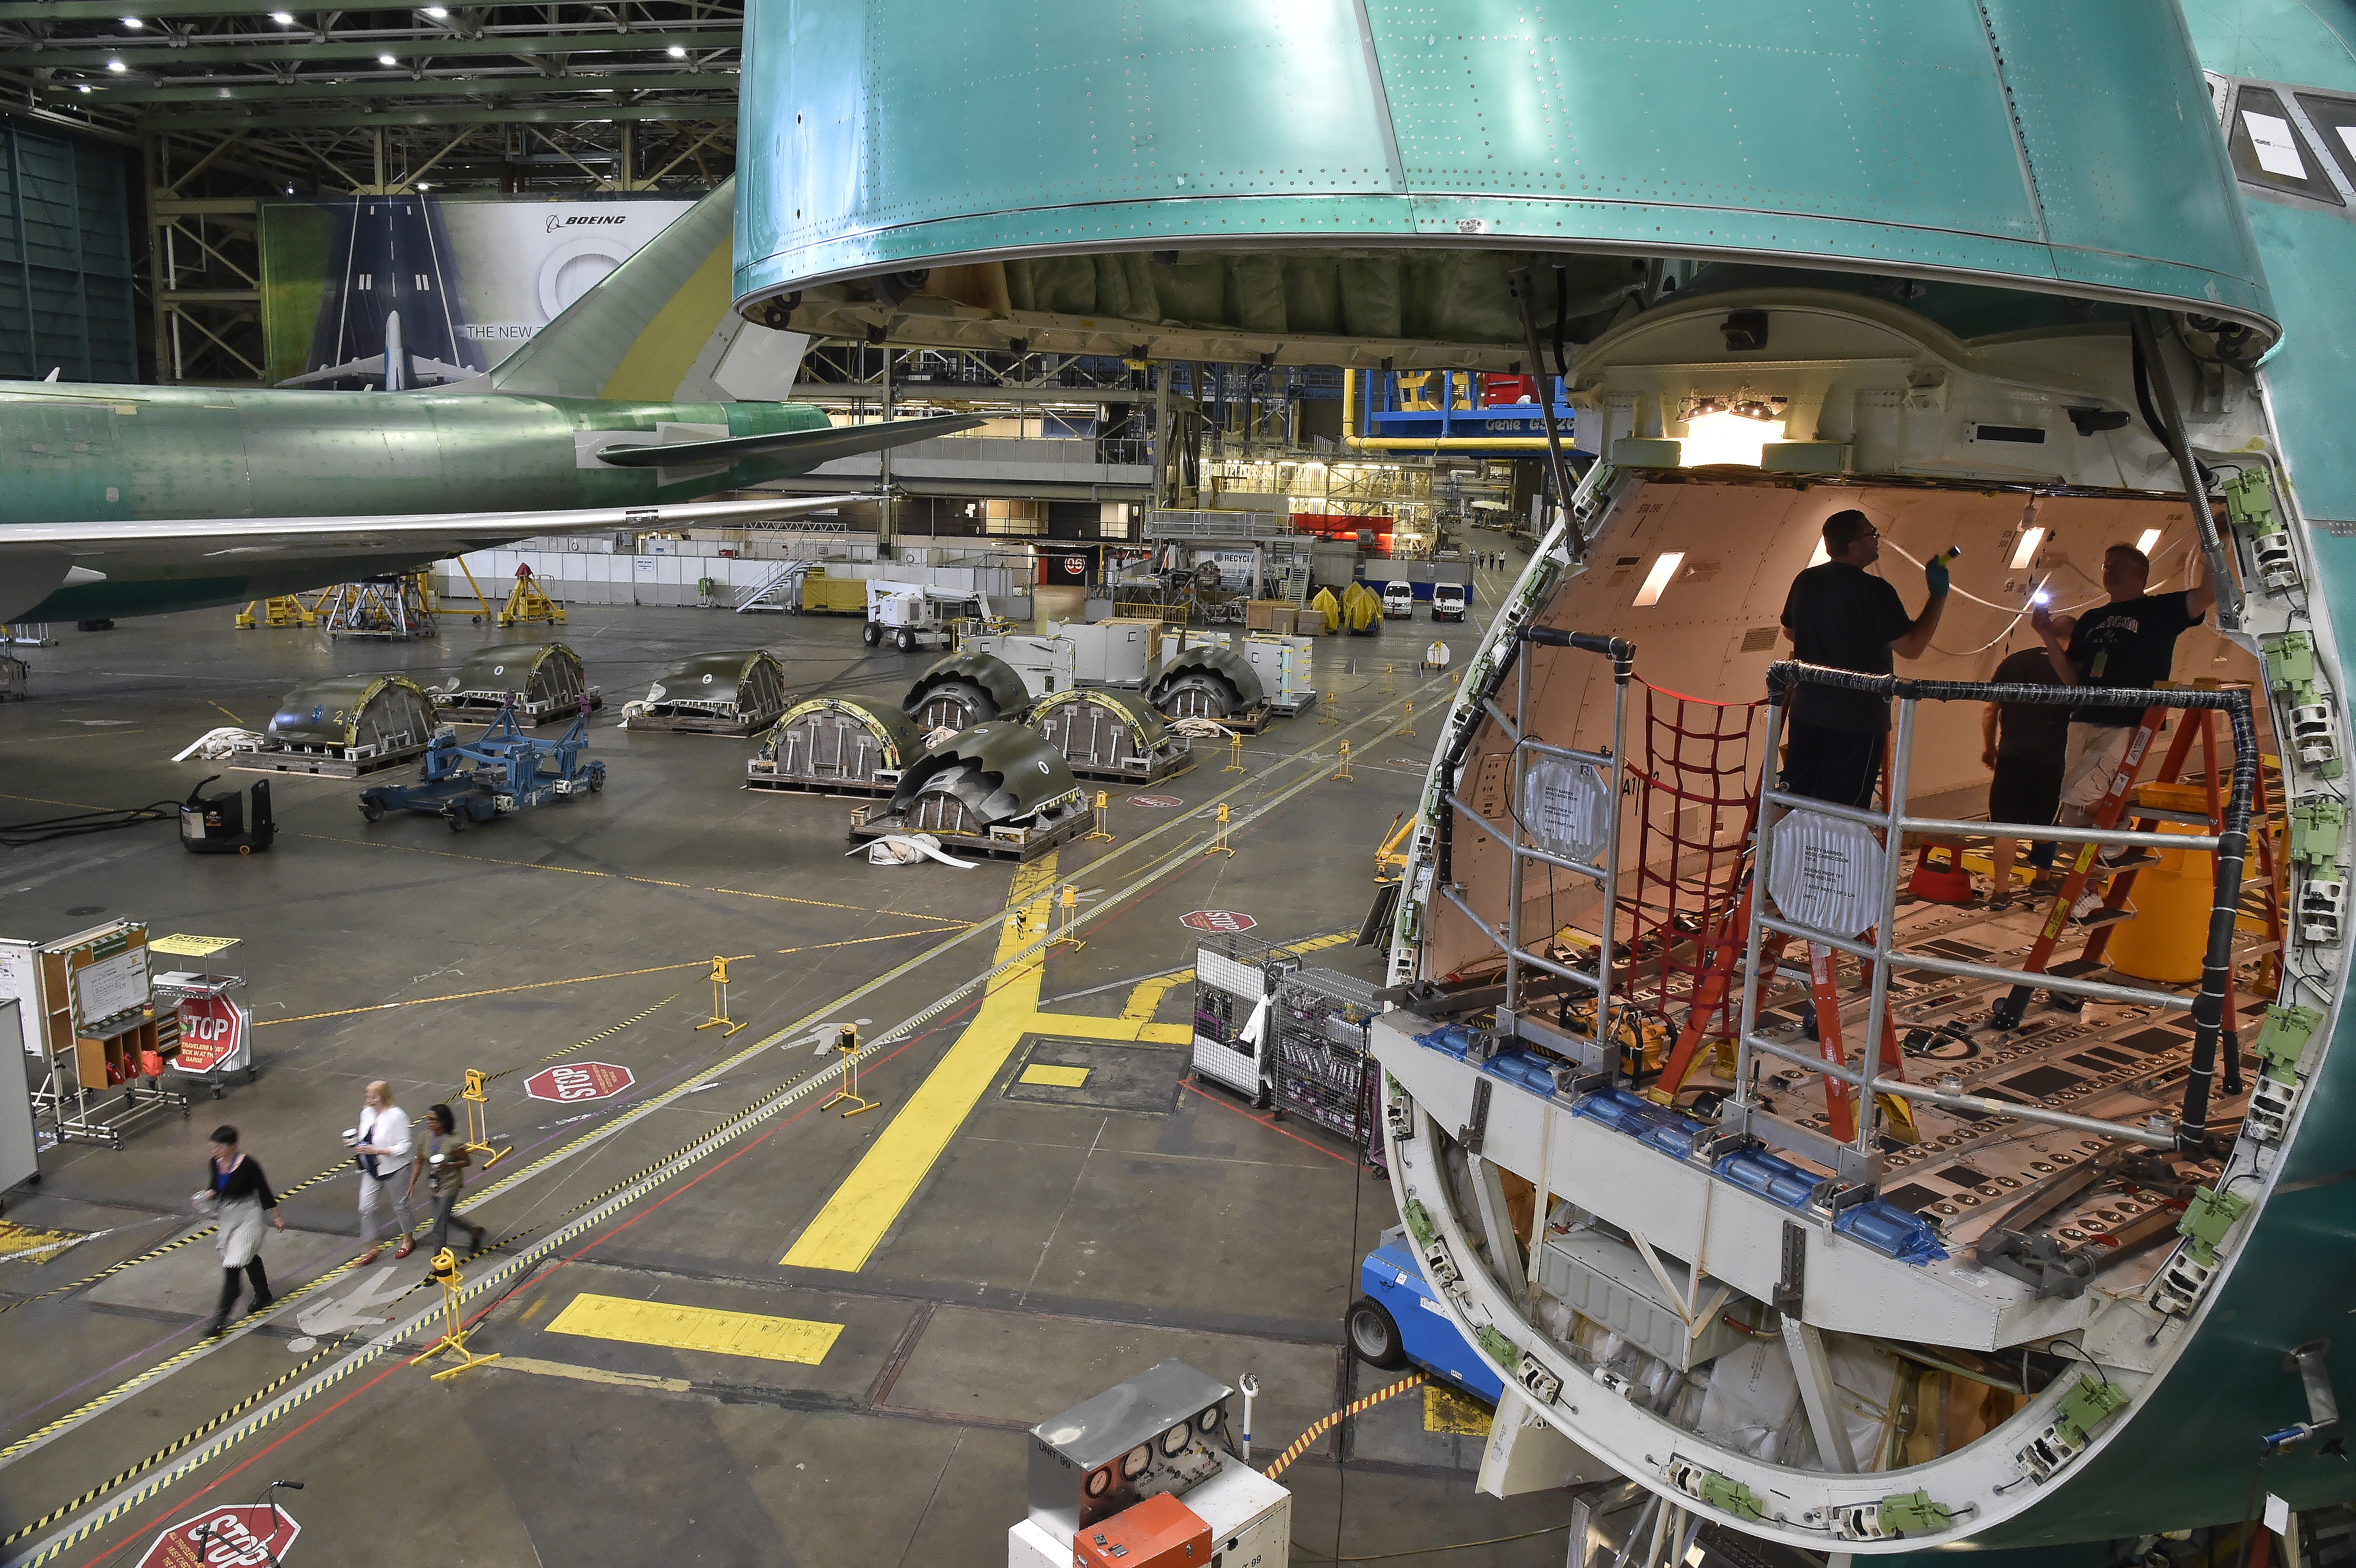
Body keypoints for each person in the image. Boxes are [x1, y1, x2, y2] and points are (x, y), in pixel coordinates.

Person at [2032, 544, 2214, 915]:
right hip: (2084, 716)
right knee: (2073, 813)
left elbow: (2209, 593)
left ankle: (2115, 833)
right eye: (2106, 564)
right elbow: (2074, 678)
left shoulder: (2159, 610)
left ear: (2141, 573)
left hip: (2129, 720)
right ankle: (2092, 885)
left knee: (2080, 793)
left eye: (2120, 565)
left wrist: (2216, 544)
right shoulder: (2091, 619)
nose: (2110, 570)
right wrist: (2049, 637)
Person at [1778, 510, 1950, 807]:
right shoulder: (1875, 591)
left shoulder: (1805, 581)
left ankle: (1779, 853)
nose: (1876, 540)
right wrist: (1938, 596)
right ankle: (1833, 855)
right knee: (1846, 808)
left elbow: (1790, 632)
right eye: (1871, 534)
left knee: (1795, 797)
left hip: (1807, 712)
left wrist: (1828, 644)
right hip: (1856, 719)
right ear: (1854, 545)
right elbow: (1911, 647)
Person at [1981, 616, 2076, 908]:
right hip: (2052, 759)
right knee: (2046, 823)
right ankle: (2043, 881)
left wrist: (1991, 747)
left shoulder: (2014, 661)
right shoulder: (2073, 669)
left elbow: (1990, 709)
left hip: (2011, 755)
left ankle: (2001, 892)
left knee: (2005, 826)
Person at [195, 1125, 284, 1337]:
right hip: (228, 1215)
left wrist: (276, 1216)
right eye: (213, 1146)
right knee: (243, 1254)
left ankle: (220, 1319)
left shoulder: (248, 1165)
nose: (215, 1150)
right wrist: (205, 1197)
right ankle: (263, 1292)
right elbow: (216, 1188)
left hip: (249, 1214)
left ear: (232, 1146)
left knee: (234, 1263)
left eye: (219, 1146)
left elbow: (264, 1190)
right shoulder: (215, 1164)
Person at [408, 1103, 488, 1258]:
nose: (429, 1123)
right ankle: (474, 1231)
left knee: (439, 1224)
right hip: (434, 1183)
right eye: (428, 1119)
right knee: (444, 1216)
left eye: (433, 1120)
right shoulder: (425, 1138)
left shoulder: (453, 1141)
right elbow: (419, 1161)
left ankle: (440, 1261)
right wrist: (412, 1184)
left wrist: (449, 1165)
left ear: (443, 1122)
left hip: (450, 1183)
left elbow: (467, 1161)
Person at [352, 1079, 416, 1264]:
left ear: (383, 1097)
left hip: (395, 1168)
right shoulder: (366, 1113)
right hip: (371, 1169)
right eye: (368, 1097)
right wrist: (357, 1145)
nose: (369, 1100)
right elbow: (365, 1137)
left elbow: (405, 1146)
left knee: (400, 1206)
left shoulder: (397, 1116)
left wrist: (378, 1151)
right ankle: (371, 1246)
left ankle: (408, 1239)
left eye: (373, 1097)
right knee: (365, 1207)